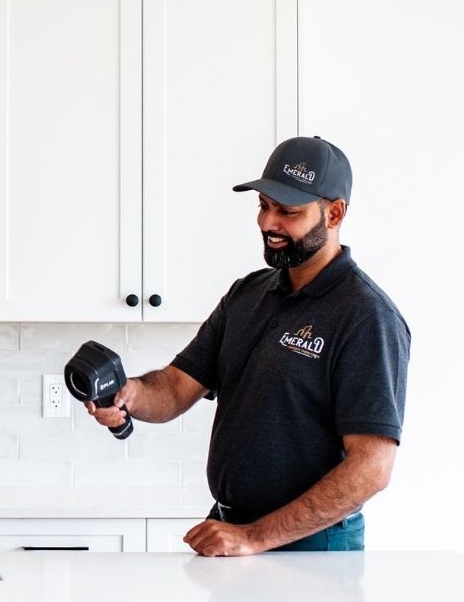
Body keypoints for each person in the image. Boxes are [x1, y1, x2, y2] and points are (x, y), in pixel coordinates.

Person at [87, 136, 410, 556]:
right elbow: (177, 385)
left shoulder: (367, 316)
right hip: (231, 529)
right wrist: (130, 394)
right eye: (263, 206)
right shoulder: (248, 294)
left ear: (334, 212)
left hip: (312, 545)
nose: (267, 223)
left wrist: (255, 536)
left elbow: (372, 468)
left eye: (287, 212)